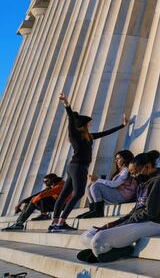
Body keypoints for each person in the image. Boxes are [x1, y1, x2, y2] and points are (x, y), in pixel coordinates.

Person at [77, 150, 160, 263]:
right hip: (140, 221)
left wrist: (120, 225)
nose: (133, 177)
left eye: (135, 172)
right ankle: (109, 251)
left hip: (155, 223)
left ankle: (120, 250)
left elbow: (150, 213)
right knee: (87, 235)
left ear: (147, 166)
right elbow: (134, 211)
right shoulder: (142, 184)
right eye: (131, 173)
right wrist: (113, 223)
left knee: (98, 240)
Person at [49, 92, 128, 232]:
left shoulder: (89, 137)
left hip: (77, 167)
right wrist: (66, 104)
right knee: (78, 194)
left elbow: (105, 133)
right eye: (89, 122)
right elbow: (70, 120)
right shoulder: (75, 135)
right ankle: (60, 222)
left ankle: (55, 223)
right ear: (84, 124)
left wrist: (122, 126)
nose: (90, 123)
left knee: (65, 194)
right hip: (78, 167)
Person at [77, 150, 137, 219]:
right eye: (116, 159)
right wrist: (97, 180)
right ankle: (93, 209)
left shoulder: (126, 170)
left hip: (122, 196)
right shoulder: (121, 171)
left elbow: (115, 184)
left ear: (126, 159)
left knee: (95, 186)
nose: (116, 161)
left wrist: (98, 180)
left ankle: (98, 211)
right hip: (118, 193)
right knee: (89, 186)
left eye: (118, 158)